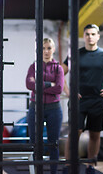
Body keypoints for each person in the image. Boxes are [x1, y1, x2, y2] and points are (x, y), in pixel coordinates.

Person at [62, 24, 103, 174]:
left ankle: (90, 165)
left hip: (97, 100)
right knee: (74, 133)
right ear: (84, 36)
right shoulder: (75, 54)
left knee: (95, 134)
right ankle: (68, 166)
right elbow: (60, 72)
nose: (90, 37)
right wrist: (68, 91)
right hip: (79, 100)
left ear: (98, 36)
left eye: (93, 34)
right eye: (87, 34)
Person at [26, 37, 64, 174]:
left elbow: (59, 88)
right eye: (43, 48)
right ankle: (35, 171)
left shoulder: (58, 68)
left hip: (54, 109)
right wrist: (49, 84)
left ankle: (53, 172)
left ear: (53, 49)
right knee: (34, 143)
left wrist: (39, 85)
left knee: (53, 143)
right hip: (35, 108)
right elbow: (29, 85)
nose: (46, 51)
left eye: (48, 48)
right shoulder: (33, 67)